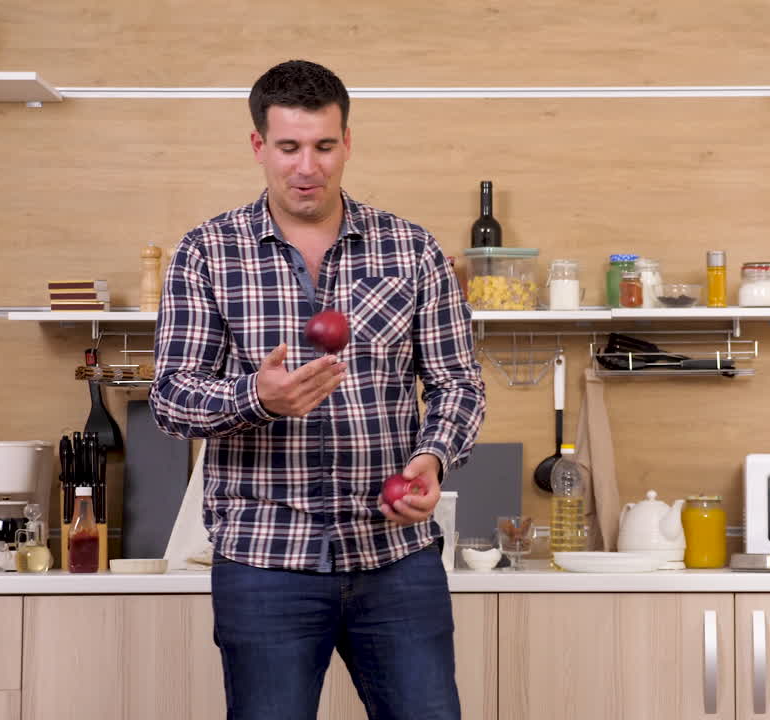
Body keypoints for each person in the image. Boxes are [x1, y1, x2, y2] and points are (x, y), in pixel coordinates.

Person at [151, 59, 485, 720]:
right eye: (289, 147)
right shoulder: (208, 253)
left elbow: (458, 386)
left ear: (347, 142)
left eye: (324, 146)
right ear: (259, 147)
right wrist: (258, 398)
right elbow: (171, 398)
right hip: (265, 562)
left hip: (395, 560)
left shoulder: (411, 251)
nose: (308, 167)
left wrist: (432, 460)